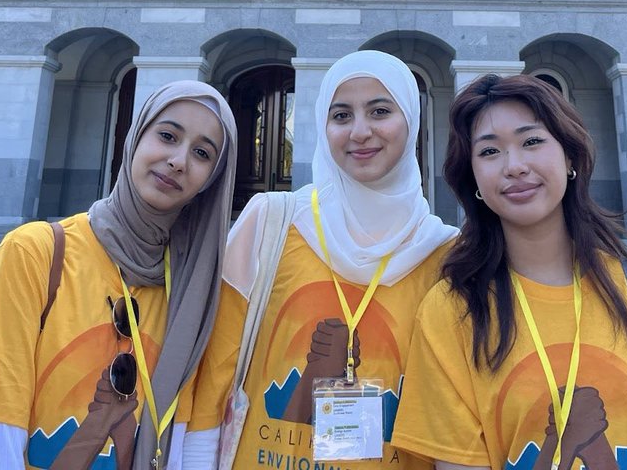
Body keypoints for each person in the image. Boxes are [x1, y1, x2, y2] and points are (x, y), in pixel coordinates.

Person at [392, 74, 627, 470]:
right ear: (474, 180)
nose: (514, 166)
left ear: (570, 157)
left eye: (531, 142)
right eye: (489, 151)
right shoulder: (453, 311)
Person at [0, 81, 238, 470]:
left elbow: (187, 438)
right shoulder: (34, 252)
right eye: (167, 136)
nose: (178, 160)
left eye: (202, 153)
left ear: (211, 181)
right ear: (135, 139)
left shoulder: (193, 292)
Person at [185, 49, 459, 470]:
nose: (360, 132)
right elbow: (216, 370)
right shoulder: (271, 221)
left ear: (411, 122)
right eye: (341, 115)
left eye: (380, 111)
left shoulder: (445, 253)